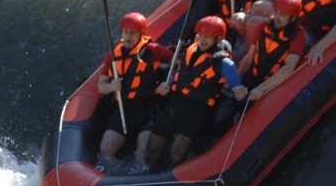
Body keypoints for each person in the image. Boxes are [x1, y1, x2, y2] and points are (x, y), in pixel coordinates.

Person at [146, 16, 246, 167]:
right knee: (152, 149)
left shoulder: (225, 63)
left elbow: (236, 87)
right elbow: (180, 74)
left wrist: (240, 91)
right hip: (175, 102)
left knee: (176, 154)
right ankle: (147, 172)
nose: (202, 39)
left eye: (208, 36)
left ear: (217, 39)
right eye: (200, 35)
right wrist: (168, 84)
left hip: (196, 110)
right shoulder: (190, 50)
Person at [97, 12, 173, 171]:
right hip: (123, 109)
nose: (128, 36)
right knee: (105, 152)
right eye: (125, 32)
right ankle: (124, 173)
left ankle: (143, 176)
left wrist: (166, 84)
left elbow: (176, 65)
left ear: (141, 34)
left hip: (147, 108)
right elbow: (101, 86)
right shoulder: (113, 55)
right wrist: (112, 87)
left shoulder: (153, 50)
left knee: (142, 153)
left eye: (133, 33)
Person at [236, 0, 306, 101]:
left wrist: (261, 89)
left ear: (292, 18)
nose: (277, 17)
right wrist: (236, 82)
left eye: (283, 14)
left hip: (272, 86)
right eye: (276, 12)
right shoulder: (264, 26)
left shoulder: (297, 36)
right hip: (252, 77)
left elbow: (289, 67)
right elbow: (249, 57)